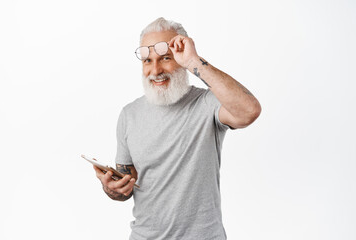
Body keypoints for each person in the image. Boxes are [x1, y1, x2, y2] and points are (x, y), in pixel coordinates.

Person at [93, 17, 261, 240]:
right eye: (147, 61)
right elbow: (127, 184)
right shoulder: (129, 115)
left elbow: (249, 111)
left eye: (165, 58)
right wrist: (112, 189)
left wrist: (194, 61)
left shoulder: (207, 104)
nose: (155, 70)